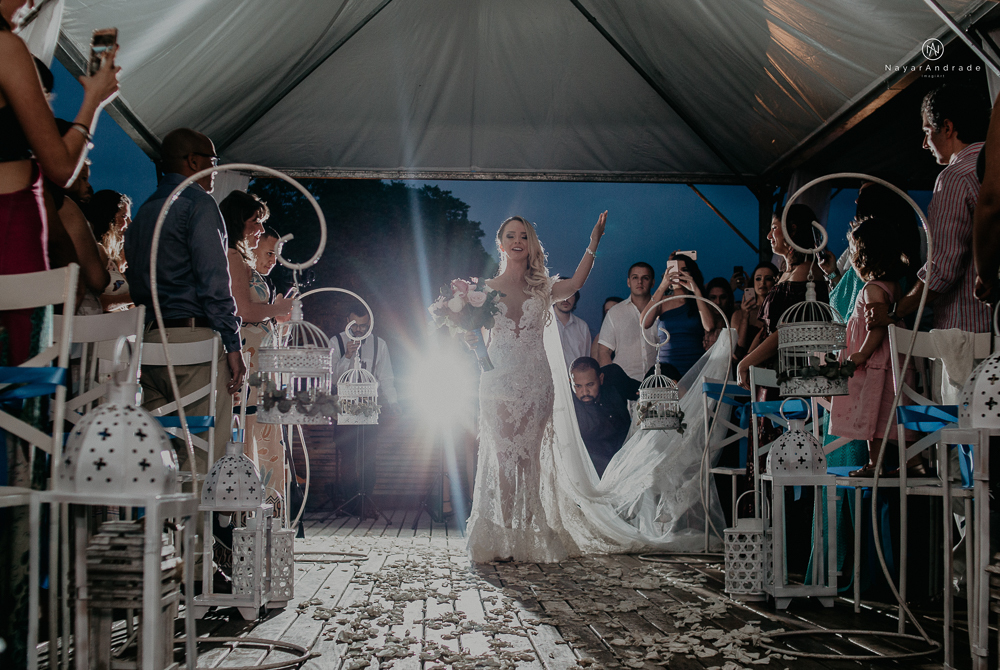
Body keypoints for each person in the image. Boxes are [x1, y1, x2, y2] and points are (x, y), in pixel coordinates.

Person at [465, 212, 606, 562]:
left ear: (530, 245)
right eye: (511, 236)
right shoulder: (484, 291)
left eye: (524, 236)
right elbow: (479, 343)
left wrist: (594, 242)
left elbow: (575, 284)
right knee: (502, 457)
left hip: (535, 381)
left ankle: (527, 536)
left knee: (529, 459)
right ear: (501, 244)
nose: (517, 241)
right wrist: (471, 343)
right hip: (496, 380)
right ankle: (504, 533)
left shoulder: (543, 288)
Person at [0, 2, 118, 362]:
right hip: (10, 222)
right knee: (19, 367)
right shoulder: (6, 47)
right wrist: (94, 100)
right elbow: (62, 167)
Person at [124, 128, 246, 472]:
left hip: (148, 346)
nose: (215, 170)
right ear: (193, 161)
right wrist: (233, 345)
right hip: (193, 347)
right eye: (213, 161)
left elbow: (136, 285)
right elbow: (214, 283)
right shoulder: (198, 205)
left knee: (165, 456)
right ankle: (203, 526)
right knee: (206, 454)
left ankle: (169, 525)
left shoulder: (144, 212)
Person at [866, 84, 991, 334]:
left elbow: (943, 268)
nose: (925, 143)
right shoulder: (994, 168)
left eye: (927, 131)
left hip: (968, 331)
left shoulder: (954, 177)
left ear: (947, 127)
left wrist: (894, 311)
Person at [220, 191, 294, 514]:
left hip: (263, 366)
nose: (261, 231)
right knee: (254, 439)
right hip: (250, 364)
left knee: (265, 441)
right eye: (256, 223)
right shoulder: (233, 256)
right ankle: (255, 520)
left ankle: (269, 521)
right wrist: (276, 308)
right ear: (239, 222)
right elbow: (243, 309)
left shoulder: (243, 259)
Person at [829, 218, 911, 476]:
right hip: (893, 364)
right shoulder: (894, 286)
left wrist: (861, 354)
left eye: (853, 252)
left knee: (873, 413)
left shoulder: (872, 289)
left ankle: (875, 464)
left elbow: (877, 326)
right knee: (893, 412)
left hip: (877, 363)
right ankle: (914, 460)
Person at [737, 204, 829, 389]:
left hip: (793, 370)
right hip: (773, 366)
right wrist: (749, 358)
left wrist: (746, 362)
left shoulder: (806, 273)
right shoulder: (788, 273)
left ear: (792, 230)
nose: (769, 236)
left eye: (774, 228)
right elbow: (766, 329)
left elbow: (788, 331)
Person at [332, 302, 399, 518]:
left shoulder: (380, 344)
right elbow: (331, 377)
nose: (359, 330)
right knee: (348, 456)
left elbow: (386, 377)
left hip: (370, 407)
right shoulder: (336, 341)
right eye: (355, 325)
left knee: (369, 456)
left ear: (370, 323)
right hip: (344, 406)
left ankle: (366, 501)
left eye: (363, 325)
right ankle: (351, 502)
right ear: (347, 321)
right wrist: (348, 357)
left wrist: (394, 403)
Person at [642, 253, 715, 379]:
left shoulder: (698, 301)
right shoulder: (663, 301)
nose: (679, 274)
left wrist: (696, 290)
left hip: (694, 366)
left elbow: (709, 326)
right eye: (675, 270)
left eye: (684, 270)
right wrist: (663, 285)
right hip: (667, 368)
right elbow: (644, 322)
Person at [569, 357, 637, 477]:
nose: (584, 392)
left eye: (590, 385)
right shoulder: (566, 401)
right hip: (594, 471)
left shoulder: (614, 378)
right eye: (578, 386)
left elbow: (642, 390)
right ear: (570, 382)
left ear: (601, 379)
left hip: (630, 458)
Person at [596, 263, 656, 381]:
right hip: (624, 383)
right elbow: (604, 351)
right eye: (635, 277)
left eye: (645, 278)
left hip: (657, 382)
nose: (640, 282)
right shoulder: (615, 313)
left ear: (653, 283)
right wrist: (611, 381)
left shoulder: (661, 309)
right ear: (628, 282)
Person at [84, 189, 134, 311]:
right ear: (109, 216)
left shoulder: (112, 260)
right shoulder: (96, 252)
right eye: (124, 216)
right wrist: (135, 297)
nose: (129, 223)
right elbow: (96, 301)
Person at [731, 262, 777, 360]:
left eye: (768, 278)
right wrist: (745, 316)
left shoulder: (780, 311)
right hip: (745, 368)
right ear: (753, 282)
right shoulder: (738, 314)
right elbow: (737, 353)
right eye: (758, 278)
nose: (762, 283)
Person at [554, 289, 591, 370]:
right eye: (562, 294)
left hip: (576, 379)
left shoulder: (582, 326)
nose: (565, 299)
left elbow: (586, 358)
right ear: (553, 297)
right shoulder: (543, 323)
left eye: (570, 294)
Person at [703, 276, 735, 351]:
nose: (718, 302)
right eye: (713, 297)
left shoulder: (735, 317)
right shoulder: (700, 321)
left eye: (723, 297)